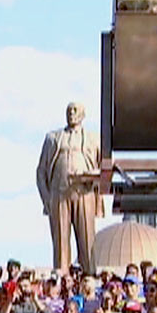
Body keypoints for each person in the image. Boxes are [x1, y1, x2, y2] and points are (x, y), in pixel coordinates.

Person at [36, 102, 104, 273]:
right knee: (60, 241)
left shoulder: (94, 138)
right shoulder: (53, 138)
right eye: (69, 110)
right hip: (59, 193)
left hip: (84, 192)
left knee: (87, 238)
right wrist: (47, 199)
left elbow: (104, 169)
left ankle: (90, 274)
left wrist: (90, 176)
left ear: (83, 114)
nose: (71, 113)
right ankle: (61, 274)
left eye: (75, 110)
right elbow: (41, 171)